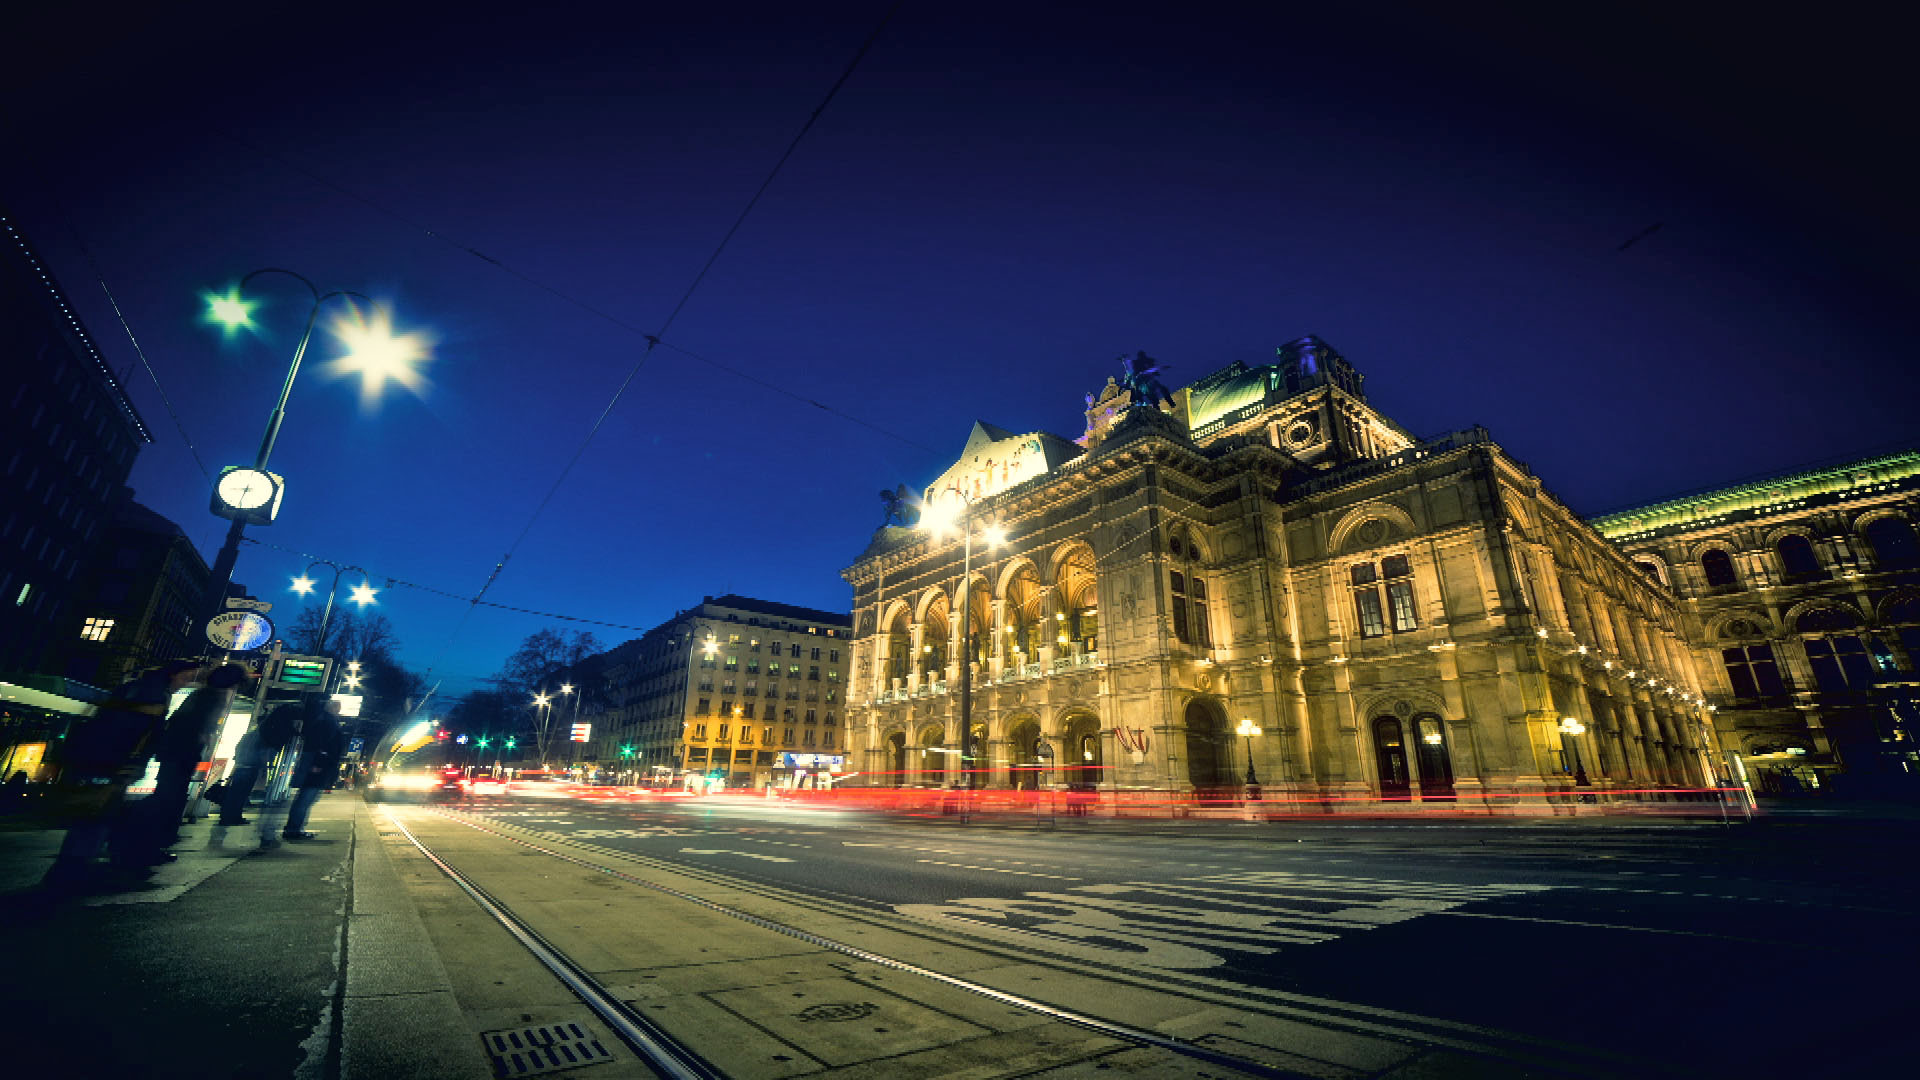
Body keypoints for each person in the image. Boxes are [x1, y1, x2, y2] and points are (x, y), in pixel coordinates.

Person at [41, 660, 201, 889]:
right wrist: (132, 761)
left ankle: (74, 868)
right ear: (172, 675)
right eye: (185, 678)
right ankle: (71, 872)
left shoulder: (136, 687)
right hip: (112, 760)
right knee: (98, 813)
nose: (185, 683)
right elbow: (137, 731)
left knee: (97, 813)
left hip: (97, 757)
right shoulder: (153, 694)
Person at [119, 663, 249, 865]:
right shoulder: (212, 697)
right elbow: (198, 726)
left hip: (174, 752)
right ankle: (145, 844)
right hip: (182, 753)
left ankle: (146, 843)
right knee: (169, 799)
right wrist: (205, 736)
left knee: (167, 796)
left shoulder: (204, 694)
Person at [215, 699, 301, 848]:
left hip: (244, 763)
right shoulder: (270, 732)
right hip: (250, 764)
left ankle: (231, 816)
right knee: (240, 791)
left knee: (238, 791)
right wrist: (264, 766)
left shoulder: (258, 730)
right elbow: (264, 750)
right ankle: (230, 816)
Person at [280, 698, 345, 841]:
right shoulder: (327, 722)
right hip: (318, 765)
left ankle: (295, 828)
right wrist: (318, 764)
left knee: (307, 797)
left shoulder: (324, 720)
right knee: (306, 797)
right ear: (331, 708)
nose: (338, 710)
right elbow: (323, 745)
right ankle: (293, 829)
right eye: (337, 707)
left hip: (318, 763)